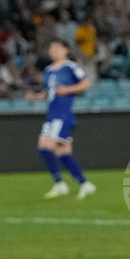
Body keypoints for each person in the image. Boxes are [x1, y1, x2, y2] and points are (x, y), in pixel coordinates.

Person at [28, 39, 97, 200]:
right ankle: (85, 184)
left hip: (62, 114)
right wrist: (36, 97)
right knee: (62, 153)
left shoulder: (70, 67)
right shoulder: (48, 71)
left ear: (65, 50)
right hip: (52, 114)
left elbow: (86, 84)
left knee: (45, 147)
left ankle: (60, 184)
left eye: (57, 48)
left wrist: (68, 90)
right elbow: (50, 92)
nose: (53, 50)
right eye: (51, 48)